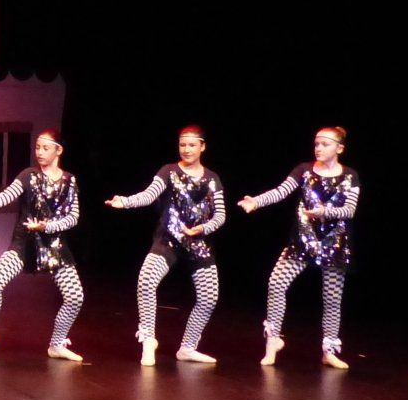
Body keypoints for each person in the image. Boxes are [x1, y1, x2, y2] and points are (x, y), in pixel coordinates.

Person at [0, 129, 84, 362]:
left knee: (75, 297)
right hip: (24, 244)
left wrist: (47, 227)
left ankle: (56, 344)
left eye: (45, 148)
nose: (39, 152)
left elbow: (73, 217)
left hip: (55, 247)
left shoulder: (69, 181)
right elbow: (3, 197)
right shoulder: (28, 175)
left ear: (58, 150)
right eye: (37, 147)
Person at [239, 125, 361, 369]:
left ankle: (329, 350)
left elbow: (350, 210)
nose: (318, 148)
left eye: (325, 144)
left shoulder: (350, 175)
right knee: (276, 283)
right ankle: (273, 341)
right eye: (316, 144)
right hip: (303, 241)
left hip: (333, 243)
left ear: (339, 148)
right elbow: (280, 191)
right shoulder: (303, 170)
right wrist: (256, 202)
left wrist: (324, 212)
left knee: (332, 298)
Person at [106, 124, 227, 365]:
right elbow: (149, 194)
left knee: (209, 297)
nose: (186, 149)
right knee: (146, 281)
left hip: (199, 242)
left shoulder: (212, 179)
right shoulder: (168, 171)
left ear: (203, 147)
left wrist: (203, 228)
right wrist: (126, 202)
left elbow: (220, 215)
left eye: (192, 145)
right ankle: (149, 339)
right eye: (182, 145)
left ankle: (188, 347)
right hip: (168, 239)